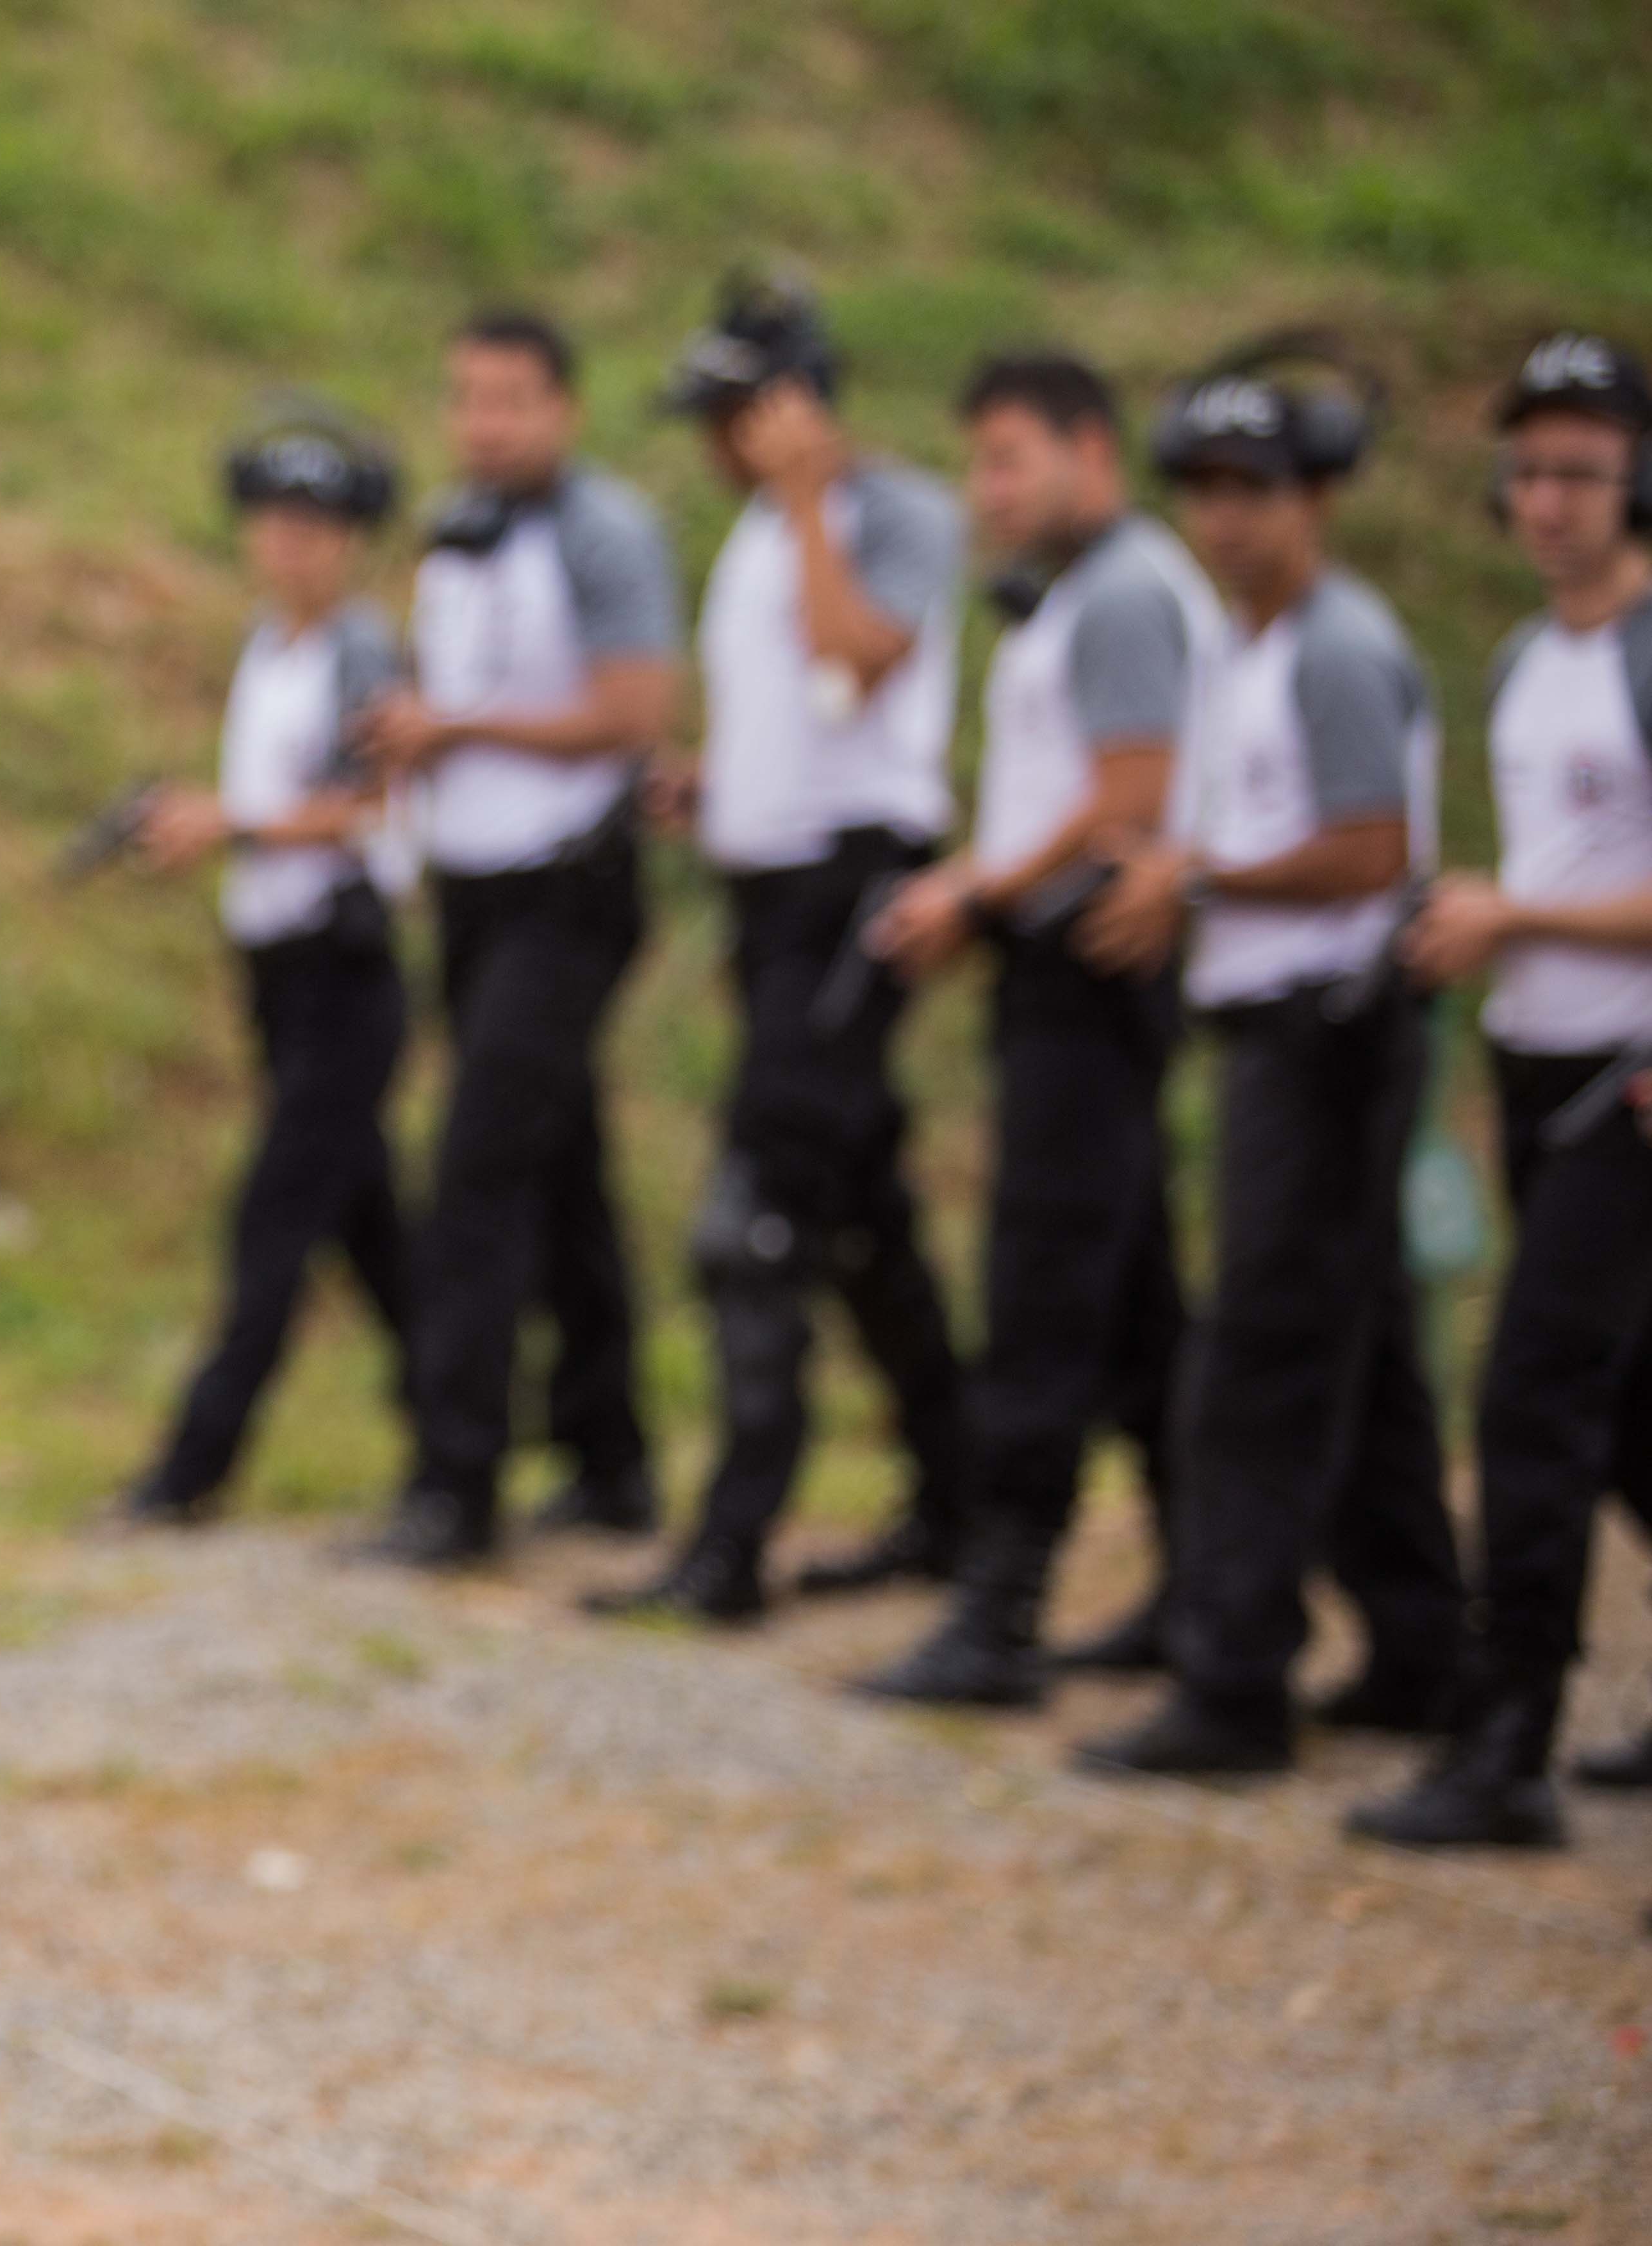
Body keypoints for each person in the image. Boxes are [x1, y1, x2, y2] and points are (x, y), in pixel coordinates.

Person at [1074, 339, 1467, 1778]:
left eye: (1257, 490)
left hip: (1329, 1033)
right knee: (1354, 1355)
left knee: (1261, 1359)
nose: (1227, 520)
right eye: (1207, 491)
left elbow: (1374, 850)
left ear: (1318, 496)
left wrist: (1203, 879)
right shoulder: (1247, 646)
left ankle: (1234, 1677)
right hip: (1284, 1025)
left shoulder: (1338, 647)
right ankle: (1427, 1641)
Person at [586, 270, 970, 1624]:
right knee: (863, 1209)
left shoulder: (886, 514)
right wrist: (719, 785)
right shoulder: (756, 535)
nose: (720, 444)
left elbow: (863, 661)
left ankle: (734, 1540)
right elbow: (798, 709)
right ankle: (958, 1492)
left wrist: (813, 497)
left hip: (850, 890)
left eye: (739, 415)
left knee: (759, 1219)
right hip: (769, 889)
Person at [850, 352, 1212, 1706]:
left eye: (1008, 458)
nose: (985, 491)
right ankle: (1200, 1589)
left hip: (1089, 971)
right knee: (1130, 1303)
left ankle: (1001, 1610)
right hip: (1063, 969)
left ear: (1089, 451)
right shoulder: (1087, 594)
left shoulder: (1121, 592)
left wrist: (979, 891)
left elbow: (1129, 795)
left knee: (1049, 1285)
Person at [1344, 333, 1652, 1843]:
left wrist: (1519, 919)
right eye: (1528, 471)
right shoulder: (1535, 661)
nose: (1548, 502)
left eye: (1581, 471)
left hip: (1632, 1080)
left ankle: (1508, 1738)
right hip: (1541, 1062)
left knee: (1531, 1396)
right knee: (1634, 1410)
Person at [352, 310, 677, 1568]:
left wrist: (460, 730)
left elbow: (635, 708)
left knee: (478, 1169)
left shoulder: (606, 534)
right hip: (479, 885)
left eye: (510, 401)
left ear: (565, 410)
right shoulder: (453, 536)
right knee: (562, 1166)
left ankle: (457, 1477)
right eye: (467, 399)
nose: (486, 425)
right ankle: (612, 1455)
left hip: (569, 883)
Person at [113, 412, 415, 1523]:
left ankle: (195, 1464)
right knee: (371, 1224)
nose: (291, 546)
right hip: (279, 964)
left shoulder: (361, 649)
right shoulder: (270, 646)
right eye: (276, 523)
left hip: (343, 959)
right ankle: (459, 1429)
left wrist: (229, 824)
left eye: (315, 527)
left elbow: (365, 800)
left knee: (277, 1217)